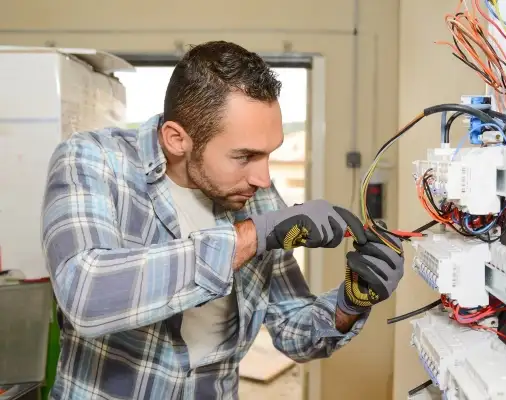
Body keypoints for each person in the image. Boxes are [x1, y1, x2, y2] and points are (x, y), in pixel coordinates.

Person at [41, 40, 404, 400]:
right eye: (244, 156)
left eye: (268, 155)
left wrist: (351, 302)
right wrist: (252, 237)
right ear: (176, 139)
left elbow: (294, 331)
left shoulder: (256, 196)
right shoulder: (93, 161)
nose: (263, 179)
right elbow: (85, 293)